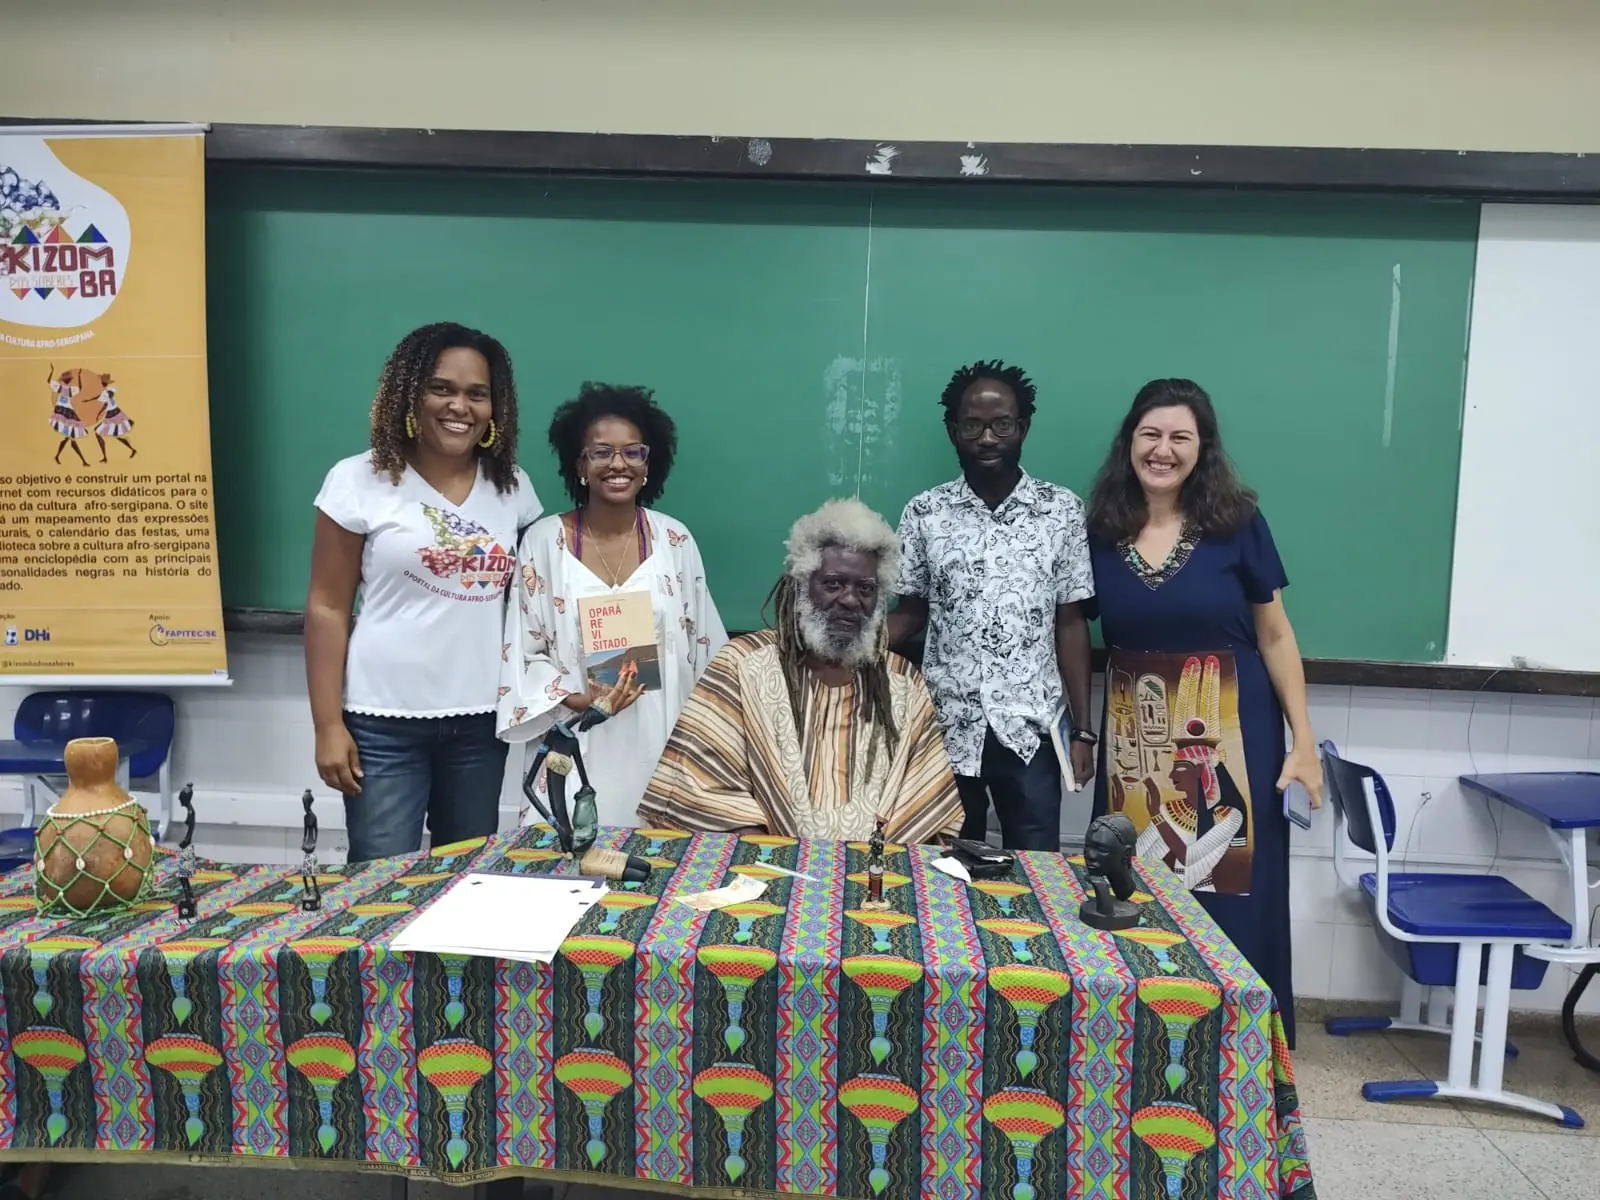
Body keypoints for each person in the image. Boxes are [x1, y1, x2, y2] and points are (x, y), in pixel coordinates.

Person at [1086, 377, 1321, 1046]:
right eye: (1150, 435)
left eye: (1179, 437)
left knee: (1232, 883)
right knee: (1139, 877)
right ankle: (1153, 1037)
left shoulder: (1236, 523)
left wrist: (1303, 740)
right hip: (1136, 728)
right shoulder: (1100, 528)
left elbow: (1276, 634)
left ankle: (1244, 1044)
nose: (1163, 450)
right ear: (1130, 442)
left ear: (1202, 448)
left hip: (1231, 726)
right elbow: (1069, 628)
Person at [305, 322, 541, 862]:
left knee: (465, 885)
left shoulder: (514, 488)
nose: (459, 406)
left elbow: (535, 606)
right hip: (382, 723)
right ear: (410, 393)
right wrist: (327, 725)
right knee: (378, 888)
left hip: (482, 722)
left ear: (494, 408)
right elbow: (327, 606)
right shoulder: (358, 480)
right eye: (442, 388)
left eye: (477, 394)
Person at [640, 498, 962, 845]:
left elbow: (926, 808)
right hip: (764, 872)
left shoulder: (901, 683)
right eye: (834, 584)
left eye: (865, 589)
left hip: (873, 879)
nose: (850, 600)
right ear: (802, 585)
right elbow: (699, 788)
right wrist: (773, 855)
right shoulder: (742, 666)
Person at [888, 360, 1095, 852]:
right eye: (973, 425)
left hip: (1031, 729)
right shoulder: (925, 512)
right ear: (952, 430)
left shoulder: (1060, 510)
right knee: (944, 866)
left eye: (1002, 424)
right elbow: (910, 613)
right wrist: (846, 648)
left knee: (1036, 870)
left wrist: (1083, 731)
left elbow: (1071, 622)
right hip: (943, 727)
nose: (987, 438)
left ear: (1022, 427)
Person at [499, 383, 726, 827]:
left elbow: (706, 653)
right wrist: (578, 697)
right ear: (579, 464)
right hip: (577, 738)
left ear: (648, 462)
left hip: (662, 745)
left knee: (658, 872)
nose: (617, 464)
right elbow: (521, 651)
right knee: (567, 870)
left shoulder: (674, 540)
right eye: (601, 452)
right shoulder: (545, 542)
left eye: (632, 452)